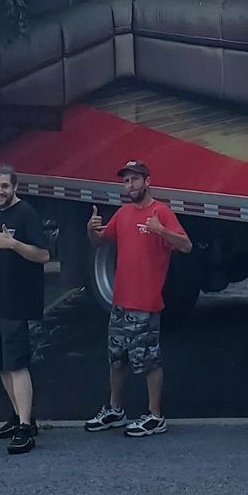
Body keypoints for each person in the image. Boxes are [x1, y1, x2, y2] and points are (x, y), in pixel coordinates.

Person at [83, 159, 192, 438]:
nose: (130, 185)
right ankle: (115, 410)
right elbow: (101, 240)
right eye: (126, 181)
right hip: (120, 303)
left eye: (134, 179)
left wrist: (161, 231)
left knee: (149, 361)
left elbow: (186, 245)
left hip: (146, 305)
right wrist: (91, 229)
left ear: (147, 182)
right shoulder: (123, 213)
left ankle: (155, 416)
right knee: (116, 358)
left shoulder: (161, 212)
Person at [0, 165, 49, 455]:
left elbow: (43, 255)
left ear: (14, 186)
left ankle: (26, 428)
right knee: (0, 365)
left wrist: (14, 243)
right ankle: (18, 416)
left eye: (4, 186)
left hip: (16, 303)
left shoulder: (26, 213)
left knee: (17, 364)